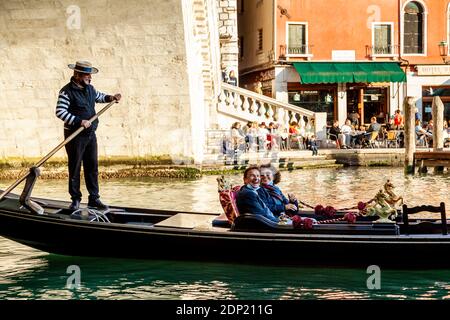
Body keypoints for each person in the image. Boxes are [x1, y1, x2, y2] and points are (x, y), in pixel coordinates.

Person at [56, 61, 121, 210]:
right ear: (77, 75)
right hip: (74, 136)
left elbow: (98, 97)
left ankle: (94, 198)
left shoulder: (90, 88)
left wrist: (111, 97)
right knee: (75, 167)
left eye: (90, 75)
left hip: (90, 134)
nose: (90, 77)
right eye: (87, 75)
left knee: (92, 166)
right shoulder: (66, 91)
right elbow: (60, 112)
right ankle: (75, 199)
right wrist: (79, 121)